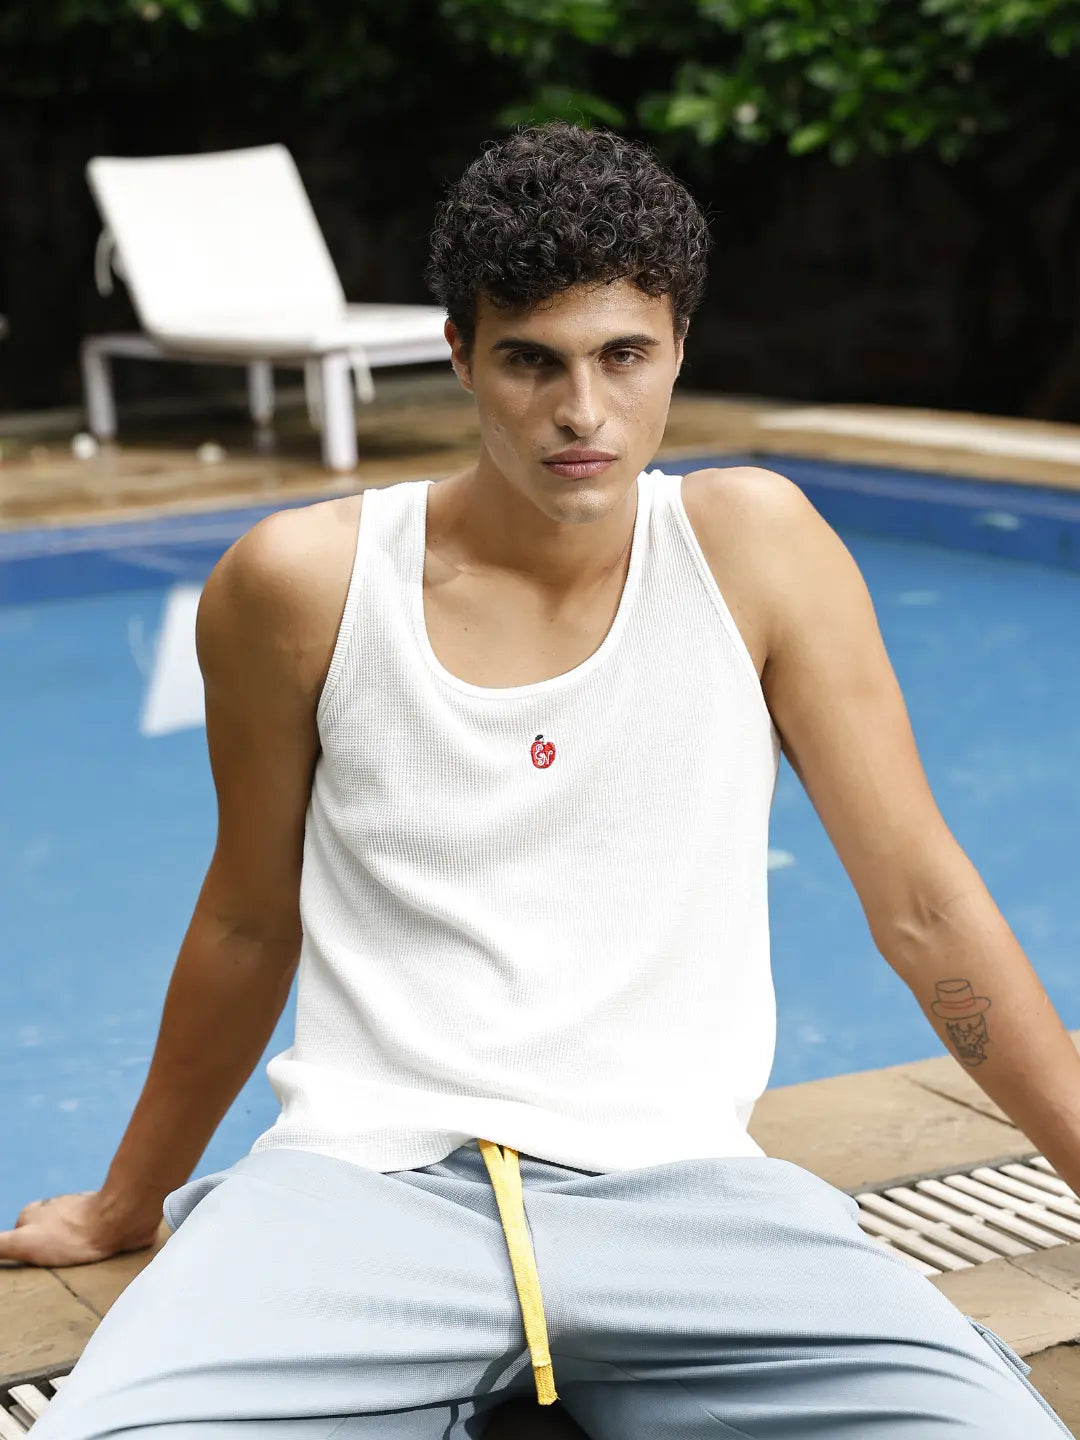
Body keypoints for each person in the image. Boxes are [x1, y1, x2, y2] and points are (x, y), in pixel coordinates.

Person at [3, 123, 1077, 1440]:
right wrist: (128, 1202)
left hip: (690, 1199)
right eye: (531, 360)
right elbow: (245, 919)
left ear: (678, 346)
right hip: (362, 1197)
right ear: (460, 353)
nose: (582, 413)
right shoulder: (304, 584)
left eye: (623, 355)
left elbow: (924, 906)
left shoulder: (755, 550)